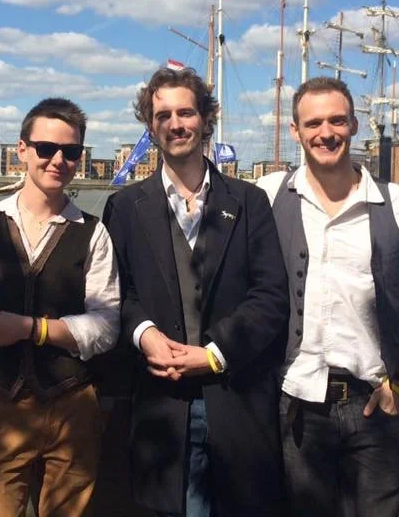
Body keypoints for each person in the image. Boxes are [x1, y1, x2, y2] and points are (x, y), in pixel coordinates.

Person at [104, 67, 289, 516]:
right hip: (159, 406)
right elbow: (114, 294)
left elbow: (271, 296)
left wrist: (212, 353)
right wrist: (145, 333)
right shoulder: (125, 207)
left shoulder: (249, 202)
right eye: (162, 114)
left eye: (186, 112)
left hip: (235, 399)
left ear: (207, 119)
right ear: (150, 125)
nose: (175, 123)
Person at [256, 76, 399, 517]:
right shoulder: (267, 196)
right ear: (295, 131)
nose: (326, 133)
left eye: (337, 120)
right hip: (295, 402)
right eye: (314, 122)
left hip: (373, 401)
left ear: (354, 125)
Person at [0, 97, 120, 517]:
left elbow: (105, 325)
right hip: (2, 402)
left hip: (73, 404)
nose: (57, 161)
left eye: (70, 152)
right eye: (46, 149)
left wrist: (29, 328)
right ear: (22, 150)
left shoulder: (93, 233)